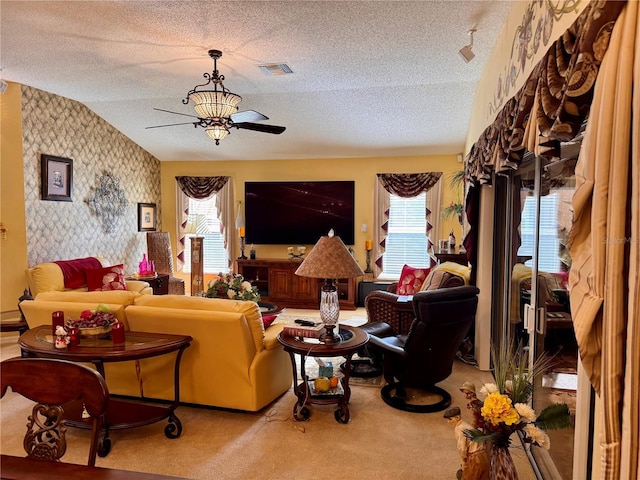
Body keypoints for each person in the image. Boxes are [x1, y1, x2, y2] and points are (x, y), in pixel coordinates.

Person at [444, 406, 490, 480]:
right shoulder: (466, 425)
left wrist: (464, 462)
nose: (448, 422)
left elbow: (462, 448)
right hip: (484, 456)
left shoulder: (460, 429)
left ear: (458, 417)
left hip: (475, 458)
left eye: (450, 419)